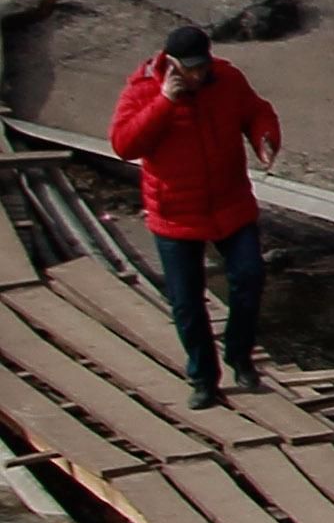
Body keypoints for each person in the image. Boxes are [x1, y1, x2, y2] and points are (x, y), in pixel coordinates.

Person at [107, 25, 284, 409]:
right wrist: (164, 103)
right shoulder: (142, 89)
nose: (199, 74)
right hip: (176, 213)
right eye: (190, 68)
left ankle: (240, 355)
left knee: (250, 277)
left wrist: (265, 138)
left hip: (229, 202)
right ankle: (204, 379)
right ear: (171, 64)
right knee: (187, 301)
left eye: (203, 66)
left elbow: (256, 111)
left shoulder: (227, 79)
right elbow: (123, 144)